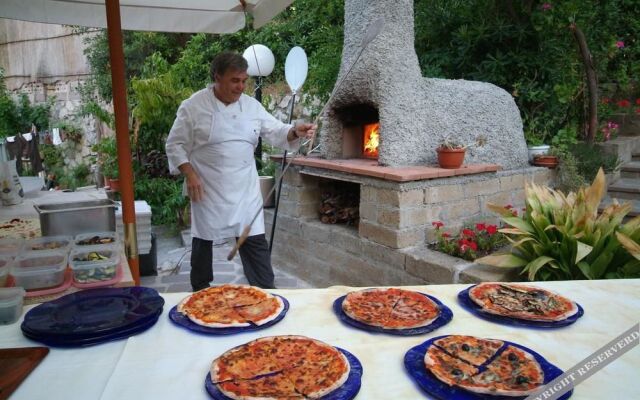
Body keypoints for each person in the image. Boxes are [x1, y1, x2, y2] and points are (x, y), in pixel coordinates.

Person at [166, 52, 316, 291]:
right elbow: (174, 144)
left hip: (245, 191)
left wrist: (296, 131)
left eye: (244, 81)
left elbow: (278, 131)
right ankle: (201, 294)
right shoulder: (194, 106)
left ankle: (266, 293)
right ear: (217, 76)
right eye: (235, 80)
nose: (241, 87)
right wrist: (190, 173)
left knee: (255, 244)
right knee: (202, 243)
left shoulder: (251, 106)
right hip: (208, 189)